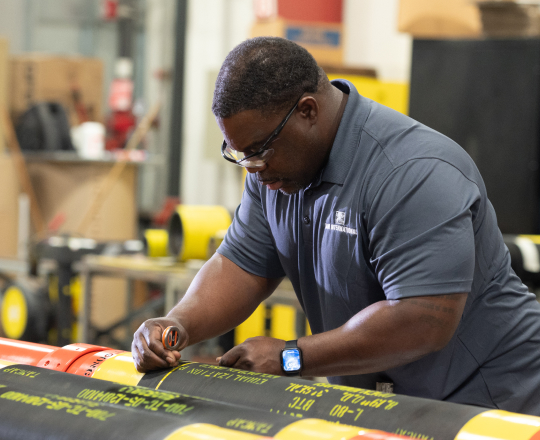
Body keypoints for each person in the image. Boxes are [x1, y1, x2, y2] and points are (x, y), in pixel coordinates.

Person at [132, 37, 540, 415]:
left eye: (259, 151)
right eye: (240, 154)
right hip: (384, 403)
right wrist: (177, 323)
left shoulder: (412, 172)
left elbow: (423, 319)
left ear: (308, 110)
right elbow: (239, 264)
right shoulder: (275, 173)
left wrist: (291, 356)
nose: (254, 170)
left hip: (495, 399)